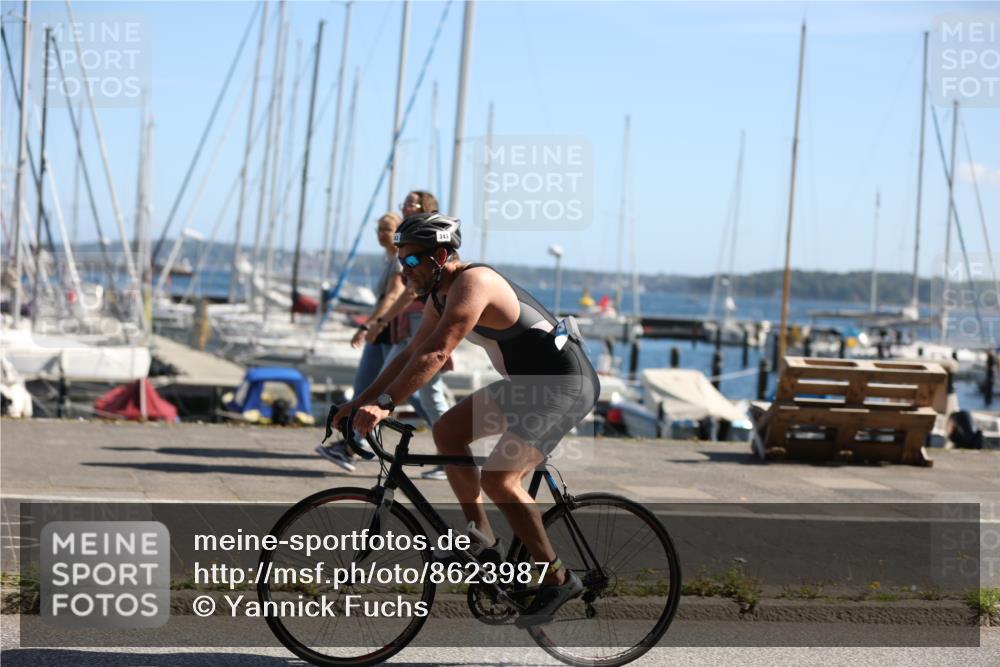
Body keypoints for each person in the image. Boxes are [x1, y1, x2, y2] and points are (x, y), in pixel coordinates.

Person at [333, 212, 599, 627]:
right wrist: (359, 401)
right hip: (528, 386)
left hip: (564, 385)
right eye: (400, 262)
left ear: (441, 255)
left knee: (499, 478)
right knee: (448, 431)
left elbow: (436, 355)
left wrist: (384, 404)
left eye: (412, 261)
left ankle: (557, 577)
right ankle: (483, 537)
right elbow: (408, 354)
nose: (405, 271)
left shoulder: (474, 283)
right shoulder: (440, 294)